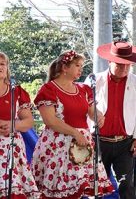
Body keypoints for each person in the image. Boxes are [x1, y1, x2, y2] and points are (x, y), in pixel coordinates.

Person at [31, 50, 114, 198]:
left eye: (81, 66)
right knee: (58, 191)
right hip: (57, 146)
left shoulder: (84, 89)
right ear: (65, 67)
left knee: (80, 189)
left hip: (81, 146)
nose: (80, 70)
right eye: (77, 65)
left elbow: (92, 111)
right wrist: (75, 133)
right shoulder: (48, 90)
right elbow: (50, 121)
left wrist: (99, 117)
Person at [86, 41, 136, 199]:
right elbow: (83, 109)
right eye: (120, 65)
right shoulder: (94, 80)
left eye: (128, 65)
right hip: (98, 141)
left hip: (125, 143)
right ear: (109, 62)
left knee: (126, 185)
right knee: (96, 186)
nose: (124, 68)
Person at [0, 51, 40, 198]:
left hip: (12, 147)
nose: (0, 67)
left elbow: (28, 121)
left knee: (13, 190)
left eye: (2, 64)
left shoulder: (16, 91)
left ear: (7, 67)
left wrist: (13, 125)